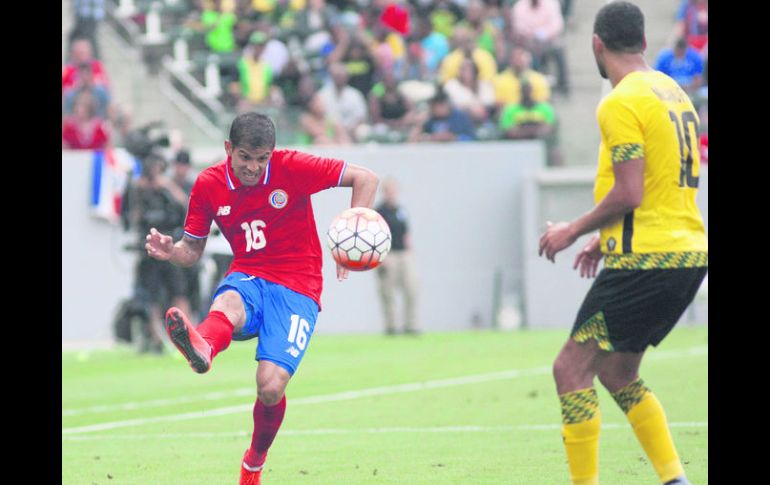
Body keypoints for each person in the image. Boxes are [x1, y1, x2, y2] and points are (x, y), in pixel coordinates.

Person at [144, 112, 379, 485]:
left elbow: (365, 178)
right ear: (228, 150)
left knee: (270, 387)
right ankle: (202, 348)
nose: (253, 167)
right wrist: (170, 250)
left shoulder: (293, 166)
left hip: (299, 286)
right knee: (229, 303)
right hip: (249, 274)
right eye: (245, 158)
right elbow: (191, 251)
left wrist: (354, 231)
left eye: (261, 159)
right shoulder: (208, 184)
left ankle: (253, 463)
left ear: (272, 153)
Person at [538, 3, 707, 485]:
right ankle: (675, 479)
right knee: (617, 373)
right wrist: (605, 237)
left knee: (570, 369)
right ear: (644, 41)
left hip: (646, 260)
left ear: (596, 44)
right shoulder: (675, 93)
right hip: (688, 253)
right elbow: (657, 187)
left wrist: (574, 230)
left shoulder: (619, 100)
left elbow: (630, 191)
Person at [126, 153, 192, 353]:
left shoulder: (170, 187)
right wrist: (140, 187)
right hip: (150, 248)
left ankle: (188, 338)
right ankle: (155, 339)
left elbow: (185, 206)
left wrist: (166, 185)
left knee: (179, 292)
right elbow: (134, 217)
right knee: (150, 295)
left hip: (171, 245)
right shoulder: (139, 188)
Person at [375, 178, 418, 335]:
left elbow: (406, 232)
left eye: (394, 191)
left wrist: (410, 251)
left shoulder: (401, 211)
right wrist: (380, 257)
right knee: (388, 293)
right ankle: (391, 327)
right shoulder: (379, 212)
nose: (391, 194)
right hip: (388, 255)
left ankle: (411, 325)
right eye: (389, 191)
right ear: (384, 193)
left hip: (403, 254)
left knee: (411, 289)